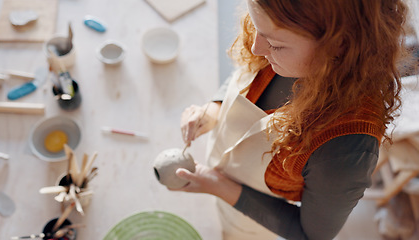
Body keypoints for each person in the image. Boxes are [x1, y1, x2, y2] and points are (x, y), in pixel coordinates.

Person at [172, 0, 411, 239]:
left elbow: (310, 234)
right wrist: (216, 107)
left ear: (339, 46)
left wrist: (219, 186)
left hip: (251, 222)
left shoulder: (346, 149)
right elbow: (246, 71)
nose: (256, 48)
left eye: (275, 45)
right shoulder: (279, 41)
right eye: (256, 28)